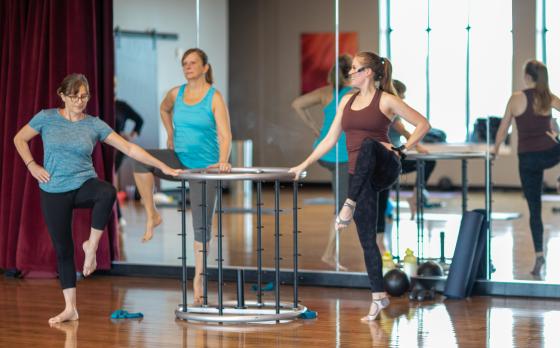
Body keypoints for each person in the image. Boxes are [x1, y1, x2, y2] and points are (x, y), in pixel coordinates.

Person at [13, 73, 182, 325]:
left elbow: (130, 149)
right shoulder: (46, 118)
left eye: (85, 96)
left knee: (107, 191)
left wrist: (163, 168)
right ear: (62, 95)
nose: (81, 101)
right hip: (53, 190)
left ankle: (91, 247)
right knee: (63, 250)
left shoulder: (94, 124)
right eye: (75, 96)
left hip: (83, 184)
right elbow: (19, 138)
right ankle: (71, 308)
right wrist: (32, 165)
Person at [290, 52, 430, 321]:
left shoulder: (386, 99)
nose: (350, 73)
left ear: (368, 73)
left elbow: (423, 124)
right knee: (367, 241)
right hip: (361, 176)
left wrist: (402, 149)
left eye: (355, 69)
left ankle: (348, 204)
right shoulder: (346, 100)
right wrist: (303, 164)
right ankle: (379, 298)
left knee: (367, 145)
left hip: (386, 165)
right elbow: (330, 139)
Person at [133, 48, 232, 304]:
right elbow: (164, 109)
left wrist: (222, 161)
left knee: (201, 228)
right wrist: (169, 132)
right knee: (140, 159)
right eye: (184, 63)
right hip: (179, 161)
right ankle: (152, 214)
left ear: (205, 67)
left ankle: (199, 278)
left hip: (205, 169)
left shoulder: (214, 97)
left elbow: (225, 135)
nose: (187, 67)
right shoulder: (176, 94)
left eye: (192, 63)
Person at [493, 60, 560, 277]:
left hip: (528, 160)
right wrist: (557, 135)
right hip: (550, 153)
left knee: (534, 209)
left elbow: (503, 129)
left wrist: (494, 150)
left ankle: (539, 255)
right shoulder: (548, 97)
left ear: (527, 76)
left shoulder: (516, 98)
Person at [291, 55, 353, 271]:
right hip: (340, 155)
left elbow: (297, 104)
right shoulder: (353, 92)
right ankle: (329, 254)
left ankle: (330, 253)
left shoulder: (325, 92)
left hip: (322, 151)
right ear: (350, 73)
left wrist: (314, 127)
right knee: (343, 207)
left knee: (344, 203)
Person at [374, 79, 437, 254]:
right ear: (397, 94)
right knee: (381, 198)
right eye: (403, 94)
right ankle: (379, 241)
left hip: (394, 158)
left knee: (427, 162)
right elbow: (405, 131)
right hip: (387, 158)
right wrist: (417, 146)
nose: (405, 97)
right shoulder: (390, 108)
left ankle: (416, 195)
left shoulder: (392, 108)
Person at [114, 98, 145, 226]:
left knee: (109, 180)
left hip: (117, 149)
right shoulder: (97, 103)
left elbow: (139, 121)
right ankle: (116, 215)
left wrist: (130, 137)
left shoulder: (121, 106)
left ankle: (118, 215)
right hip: (99, 148)